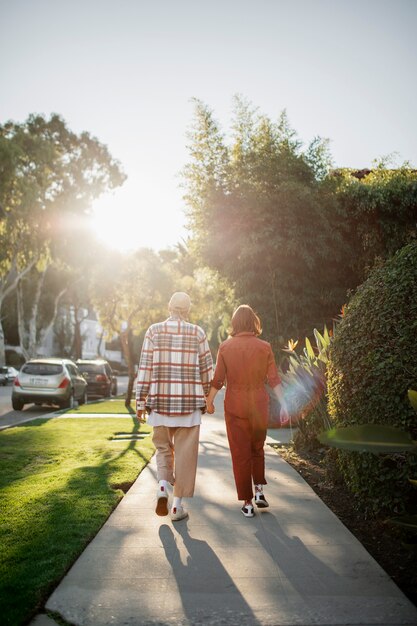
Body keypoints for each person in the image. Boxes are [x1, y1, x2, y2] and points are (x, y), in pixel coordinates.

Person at [136, 292, 213, 522]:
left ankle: (161, 486)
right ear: (187, 310)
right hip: (188, 407)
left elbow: (144, 368)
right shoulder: (198, 333)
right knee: (185, 455)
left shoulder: (153, 331)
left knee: (162, 449)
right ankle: (177, 507)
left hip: (159, 403)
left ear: (169, 307)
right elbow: (208, 371)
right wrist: (207, 398)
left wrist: (140, 401)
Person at [206, 304, 282, 518]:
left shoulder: (225, 347)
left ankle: (247, 503)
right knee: (257, 449)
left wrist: (209, 402)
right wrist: (285, 404)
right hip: (259, 404)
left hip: (235, 405)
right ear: (253, 322)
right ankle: (259, 491)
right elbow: (274, 379)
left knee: (240, 454)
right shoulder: (264, 347)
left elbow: (218, 380)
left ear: (235, 323)